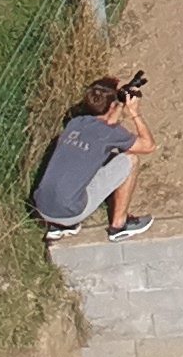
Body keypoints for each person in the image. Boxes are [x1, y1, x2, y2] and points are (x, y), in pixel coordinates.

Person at [33, 75, 156, 238]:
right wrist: (134, 112)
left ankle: (59, 227)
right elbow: (148, 146)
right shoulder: (110, 134)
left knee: (95, 158)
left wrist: (118, 103)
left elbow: (105, 121)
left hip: (42, 208)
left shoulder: (75, 123)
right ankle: (119, 225)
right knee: (130, 159)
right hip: (70, 212)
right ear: (112, 106)